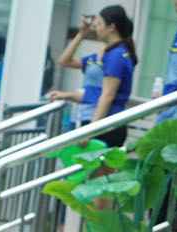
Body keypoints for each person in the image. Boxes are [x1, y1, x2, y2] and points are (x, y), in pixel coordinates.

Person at [51, 7, 138, 146]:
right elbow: (64, 61)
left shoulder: (116, 56)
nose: (96, 29)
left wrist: (90, 131)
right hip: (103, 123)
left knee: (97, 168)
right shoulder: (112, 54)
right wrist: (81, 34)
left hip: (107, 125)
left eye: (99, 25)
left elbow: (108, 95)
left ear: (111, 27)